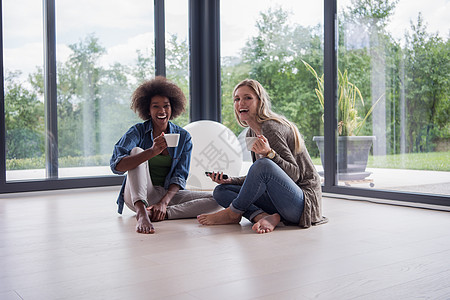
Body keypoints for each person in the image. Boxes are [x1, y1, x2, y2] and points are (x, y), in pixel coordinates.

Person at [197, 79, 327, 233]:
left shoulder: (270, 128)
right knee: (221, 191)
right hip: (279, 202)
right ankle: (262, 216)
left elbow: (294, 174)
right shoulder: (251, 132)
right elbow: (260, 177)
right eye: (237, 99)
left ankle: (233, 213)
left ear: (260, 101)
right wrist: (231, 180)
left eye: (248, 98)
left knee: (263, 164)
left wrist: (270, 154)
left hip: (303, 204)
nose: (241, 103)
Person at [110, 76, 220, 234]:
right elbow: (117, 165)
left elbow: (180, 175)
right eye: (156, 106)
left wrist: (164, 203)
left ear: (172, 108)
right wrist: (151, 152)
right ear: (148, 110)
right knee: (136, 152)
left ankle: (162, 213)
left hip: (166, 194)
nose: (161, 111)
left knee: (216, 199)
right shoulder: (137, 132)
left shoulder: (184, 137)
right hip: (137, 196)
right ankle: (142, 212)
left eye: (166, 106)